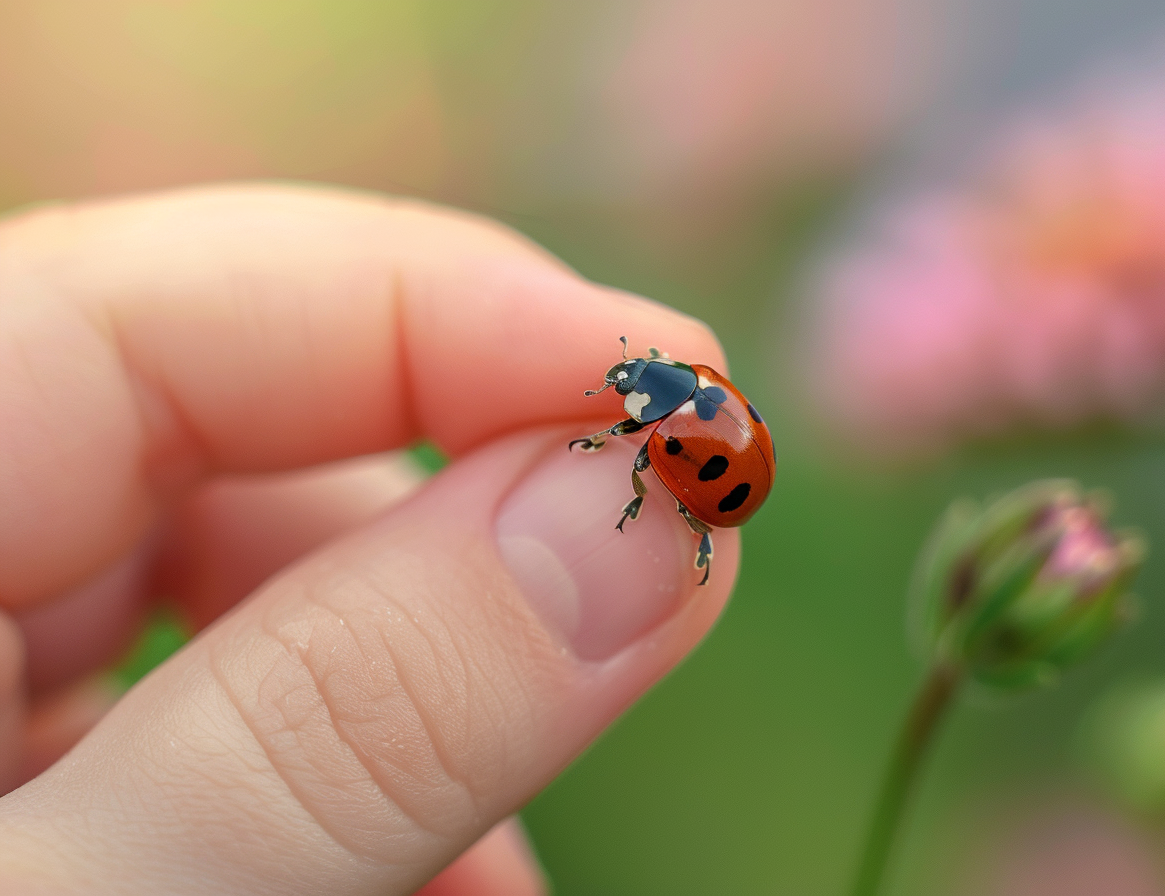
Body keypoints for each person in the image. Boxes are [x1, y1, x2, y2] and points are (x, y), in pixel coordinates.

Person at [0, 185, 740, 894]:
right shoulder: (688, 396)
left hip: (721, 489)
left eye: (631, 382)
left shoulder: (663, 426)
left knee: (636, 468)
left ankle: (687, 533)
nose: (624, 384)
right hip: (721, 466)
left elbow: (654, 450)